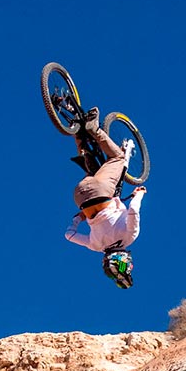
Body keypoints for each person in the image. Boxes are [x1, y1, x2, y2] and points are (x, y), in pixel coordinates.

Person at [64, 109, 145, 287]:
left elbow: (133, 211)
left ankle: (93, 128)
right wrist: (79, 218)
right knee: (91, 167)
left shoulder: (130, 236)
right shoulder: (95, 246)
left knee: (118, 157)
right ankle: (77, 131)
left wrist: (139, 194)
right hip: (80, 196)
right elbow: (69, 235)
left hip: (102, 191)